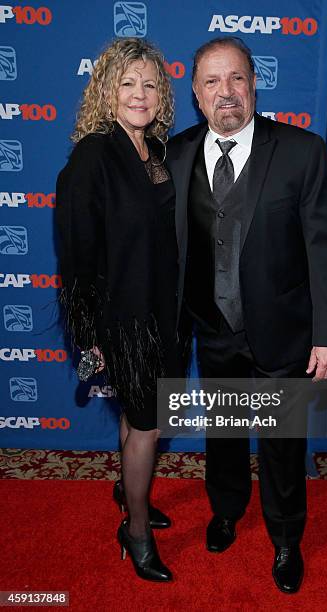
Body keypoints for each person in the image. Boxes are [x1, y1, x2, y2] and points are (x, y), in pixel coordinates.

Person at [167, 37, 327, 594]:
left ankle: (287, 537)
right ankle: (225, 511)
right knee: (223, 432)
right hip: (212, 327)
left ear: (254, 84)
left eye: (237, 79)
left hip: (283, 330)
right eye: (213, 83)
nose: (227, 92)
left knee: (280, 442)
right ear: (197, 95)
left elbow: (325, 248)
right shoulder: (174, 155)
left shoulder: (301, 151)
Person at [56, 38, 178, 583]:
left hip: (166, 314)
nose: (140, 93)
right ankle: (135, 531)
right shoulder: (93, 155)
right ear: (106, 90)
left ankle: (131, 492)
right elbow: (76, 253)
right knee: (149, 424)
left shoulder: (157, 150)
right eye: (128, 82)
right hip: (124, 320)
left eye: (150, 83)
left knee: (140, 416)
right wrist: (89, 333)